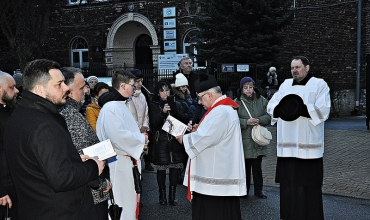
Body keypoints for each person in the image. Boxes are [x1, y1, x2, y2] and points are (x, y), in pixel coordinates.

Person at [4, 59, 105, 219]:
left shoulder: (19, 115)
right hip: (59, 212)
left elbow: (37, 164)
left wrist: (72, 160)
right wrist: (93, 167)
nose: (66, 88)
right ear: (40, 89)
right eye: (59, 84)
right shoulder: (44, 124)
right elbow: (61, 178)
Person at [267, 56, 330, 220]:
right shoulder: (285, 84)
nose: (294, 70)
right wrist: (282, 110)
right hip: (287, 148)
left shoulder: (319, 84)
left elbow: (323, 110)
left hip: (309, 149)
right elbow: (271, 105)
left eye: (298, 67)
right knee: (288, 185)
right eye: (292, 67)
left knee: (309, 186)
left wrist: (300, 108)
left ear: (307, 67)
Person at [176, 74, 246, 220]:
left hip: (215, 180)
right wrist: (197, 129)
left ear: (209, 95)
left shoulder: (220, 112)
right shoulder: (222, 109)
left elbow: (205, 138)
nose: (200, 103)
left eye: (200, 98)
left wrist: (184, 139)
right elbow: (210, 133)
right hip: (218, 174)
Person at [59, 67, 111, 220]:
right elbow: (83, 155)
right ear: (68, 90)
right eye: (81, 88)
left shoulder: (73, 111)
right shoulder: (69, 115)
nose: (86, 91)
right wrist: (101, 183)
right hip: (90, 194)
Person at [96, 69, 148, 220]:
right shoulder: (111, 108)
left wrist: (140, 139)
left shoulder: (120, 105)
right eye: (133, 84)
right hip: (117, 163)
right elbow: (117, 135)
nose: (135, 88)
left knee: (129, 203)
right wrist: (141, 140)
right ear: (124, 86)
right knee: (121, 204)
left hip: (125, 161)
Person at [148, 80, 189, 206]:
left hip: (175, 139)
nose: (165, 93)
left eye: (167, 90)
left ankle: (173, 195)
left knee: (175, 168)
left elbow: (184, 119)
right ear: (158, 93)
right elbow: (154, 123)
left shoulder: (176, 102)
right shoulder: (153, 104)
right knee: (161, 168)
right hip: (160, 140)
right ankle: (162, 195)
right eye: (162, 91)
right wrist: (163, 112)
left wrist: (175, 109)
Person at [234, 77, 271, 199]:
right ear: (241, 89)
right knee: (244, 167)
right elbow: (232, 120)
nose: (248, 90)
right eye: (246, 87)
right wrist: (246, 122)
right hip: (244, 140)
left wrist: (260, 120)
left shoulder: (262, 100)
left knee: (257, 167)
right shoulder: (236, 103)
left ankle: (259, 190)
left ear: (254, 87)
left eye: (250, 87)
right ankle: (244, 190)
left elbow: (269, 116)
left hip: (258, 139)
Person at [0, 71, 19, 220]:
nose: (17, 90)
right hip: (5, 188)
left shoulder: (11, 110)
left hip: (14, 182)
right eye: (12, 87)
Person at [130, 69, 153, 172]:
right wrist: (138, 128)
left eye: (141, 81)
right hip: (132, 131)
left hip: (142, 130)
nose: (140, 84)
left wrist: (145, 125)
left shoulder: (142, 95)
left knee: (140, 155)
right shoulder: (128, 97)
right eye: (138, 81)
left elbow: (146, 113)